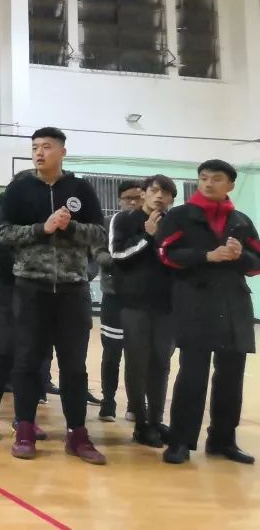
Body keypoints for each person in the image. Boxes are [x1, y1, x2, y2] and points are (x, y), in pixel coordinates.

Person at [0, 127, 107, 464]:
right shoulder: (18, 189)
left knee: (74, 365)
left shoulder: (81, 188)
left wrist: (69, 227)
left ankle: (77, 434)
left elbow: (99, 233)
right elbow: (3, 233)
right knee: (28, 361)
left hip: (73, 288)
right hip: (31, 287)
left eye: (46, 147)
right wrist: (41, 229)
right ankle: (25, 430)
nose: (39, 153)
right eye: (35, 147)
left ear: (62, 152)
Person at [158, 160, 258, 465]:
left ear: (230, 185)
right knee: (192, 375)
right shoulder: (180, 216)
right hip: (195, 303)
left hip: (233, 305)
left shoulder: (241, 221)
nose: (208, 183)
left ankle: (223, 440)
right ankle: (180, 441)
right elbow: (164, 253)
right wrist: (206, 256)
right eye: (203, 178)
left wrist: (240, 256)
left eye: (216, 179)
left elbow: (257, 262)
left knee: (231, 377)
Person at [0, 183, 48, 444]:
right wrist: (30, 264)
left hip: (36, 294)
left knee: (31, 361)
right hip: (5, 295)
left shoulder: (42, 219)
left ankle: (24, 419)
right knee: (2, 358)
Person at [109, 174, 176, 447]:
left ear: (171, 199)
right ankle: (141, 423)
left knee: (161, 363)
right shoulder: (124, 220)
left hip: (167, 306)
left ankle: (156, 420)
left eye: (166, 192)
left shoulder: (174, 223)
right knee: (137, 363)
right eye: (155, 190)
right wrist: (147, 235)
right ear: (144, 193)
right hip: (134, 305)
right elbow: (117, 255)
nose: (159, 196)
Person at [95, 179, 143, 421]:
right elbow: (98, 252)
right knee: (112, 353)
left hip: (142, 301)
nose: (133, 202)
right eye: (128, 198)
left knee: (138, 355)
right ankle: (108, 402)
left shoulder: (150, 224)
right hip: (114, 297)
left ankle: (135, 404)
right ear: (119, 200)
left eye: (137, 198)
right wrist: (118, 260)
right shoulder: (108, 223)